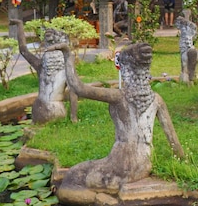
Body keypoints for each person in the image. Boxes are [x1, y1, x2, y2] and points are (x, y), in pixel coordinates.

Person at [53, 41, 185, 205]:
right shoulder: (156, 99)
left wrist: (68, 55)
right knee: (76, 175)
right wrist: (182, 160)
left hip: (122, 166)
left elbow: (78, 88)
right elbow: (174, 141)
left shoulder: (119, 97)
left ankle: (101, 200)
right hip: (144, 163)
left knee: (73, 177)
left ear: (125, 68)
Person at [10, 19, 78, 124]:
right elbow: (23, 50)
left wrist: (74, 117)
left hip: (56, 112)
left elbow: (74, 93)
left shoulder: (66, 70)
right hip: (38, 109)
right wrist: (19, 25)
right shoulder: (41, 66)